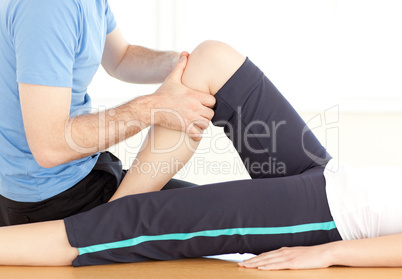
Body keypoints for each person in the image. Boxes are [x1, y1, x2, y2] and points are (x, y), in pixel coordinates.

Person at [1, 37, 402, 270]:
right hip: (333, 176)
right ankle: (113, 218)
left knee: (152, 220)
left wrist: (329, 253)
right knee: (213, 59)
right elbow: (120, 56)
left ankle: (111, 225)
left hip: (332, 217)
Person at [0, 0, 215, 225]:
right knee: (217, 214)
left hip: (77, 177)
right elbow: (50, 146)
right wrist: (157, 107)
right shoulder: (50, 7)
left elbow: (120, 58)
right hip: (53, 202)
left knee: (213, 206)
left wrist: (180, 64)